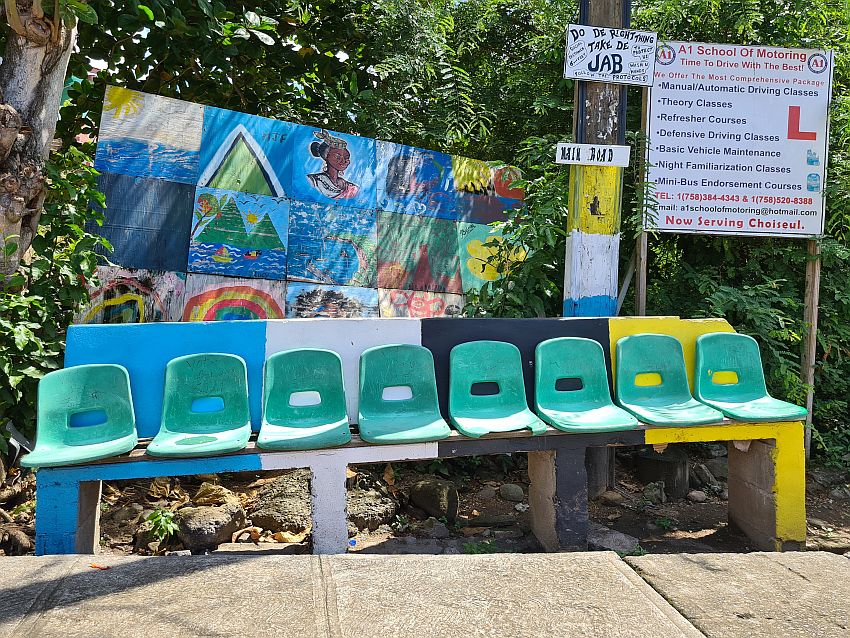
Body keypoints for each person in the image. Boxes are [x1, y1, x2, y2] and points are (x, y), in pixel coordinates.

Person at [307, 129, 360, 199]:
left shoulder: (351, 188)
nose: (343, 161)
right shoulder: (313, 181)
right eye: (337, 157)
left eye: (346, 157)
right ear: (326, 156)